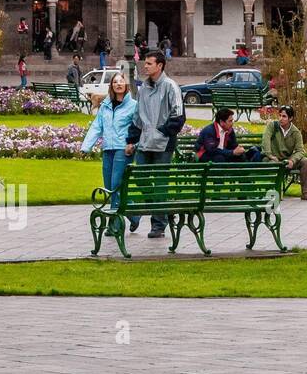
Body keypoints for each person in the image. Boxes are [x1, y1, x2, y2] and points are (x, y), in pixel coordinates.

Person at [125, 50, 186, 238]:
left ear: (159, 66)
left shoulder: (170, 86)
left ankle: (158, 225)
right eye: (145, 63)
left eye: (149, 63)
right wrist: (132, 140)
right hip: (144, 143)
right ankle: (162, 208)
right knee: (140, 178)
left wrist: (161, 132)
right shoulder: (143, 88)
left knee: (161, 184)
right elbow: (137, 117)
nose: (145, 66)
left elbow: (178, 116)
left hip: (163, 144)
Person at [80, 72, 137, 237]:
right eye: (115, 82)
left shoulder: (133, 105)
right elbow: (97, 126)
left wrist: (133, 144)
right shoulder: (105, 105)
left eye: (121, 81)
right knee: (109, 186)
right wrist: (86, 147)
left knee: (115, 186)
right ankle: (134, 214)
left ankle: (114, 225)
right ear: (111, 86)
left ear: (126, 85)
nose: (118, 84)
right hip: (108, 149)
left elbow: (139, 127)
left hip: (123, 149)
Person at [261, 105, 307, 200]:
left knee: (304, 161)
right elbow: (265, 140)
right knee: (273, 164)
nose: (281, 118)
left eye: (284, 116)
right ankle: (276, 193)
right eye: (280, 115)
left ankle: (306, 193)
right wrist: (270, 155)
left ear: (291, 118)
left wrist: (292, 160)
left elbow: (300, 150)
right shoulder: (272, 126)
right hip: (273, 159)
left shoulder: (296, 132)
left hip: (287, 161)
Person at [197, 108, 261, 162]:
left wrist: (239, 150)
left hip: (223, 154)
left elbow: (234, 146)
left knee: (240, 156)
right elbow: (211, 151)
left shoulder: (230, 130)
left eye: (232, 120)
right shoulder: (209, 131)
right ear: (222, 122)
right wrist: (232, 152)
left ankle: (244, 172)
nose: (232, 123)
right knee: (220, 159)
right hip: (205, 155)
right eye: (230, 121)